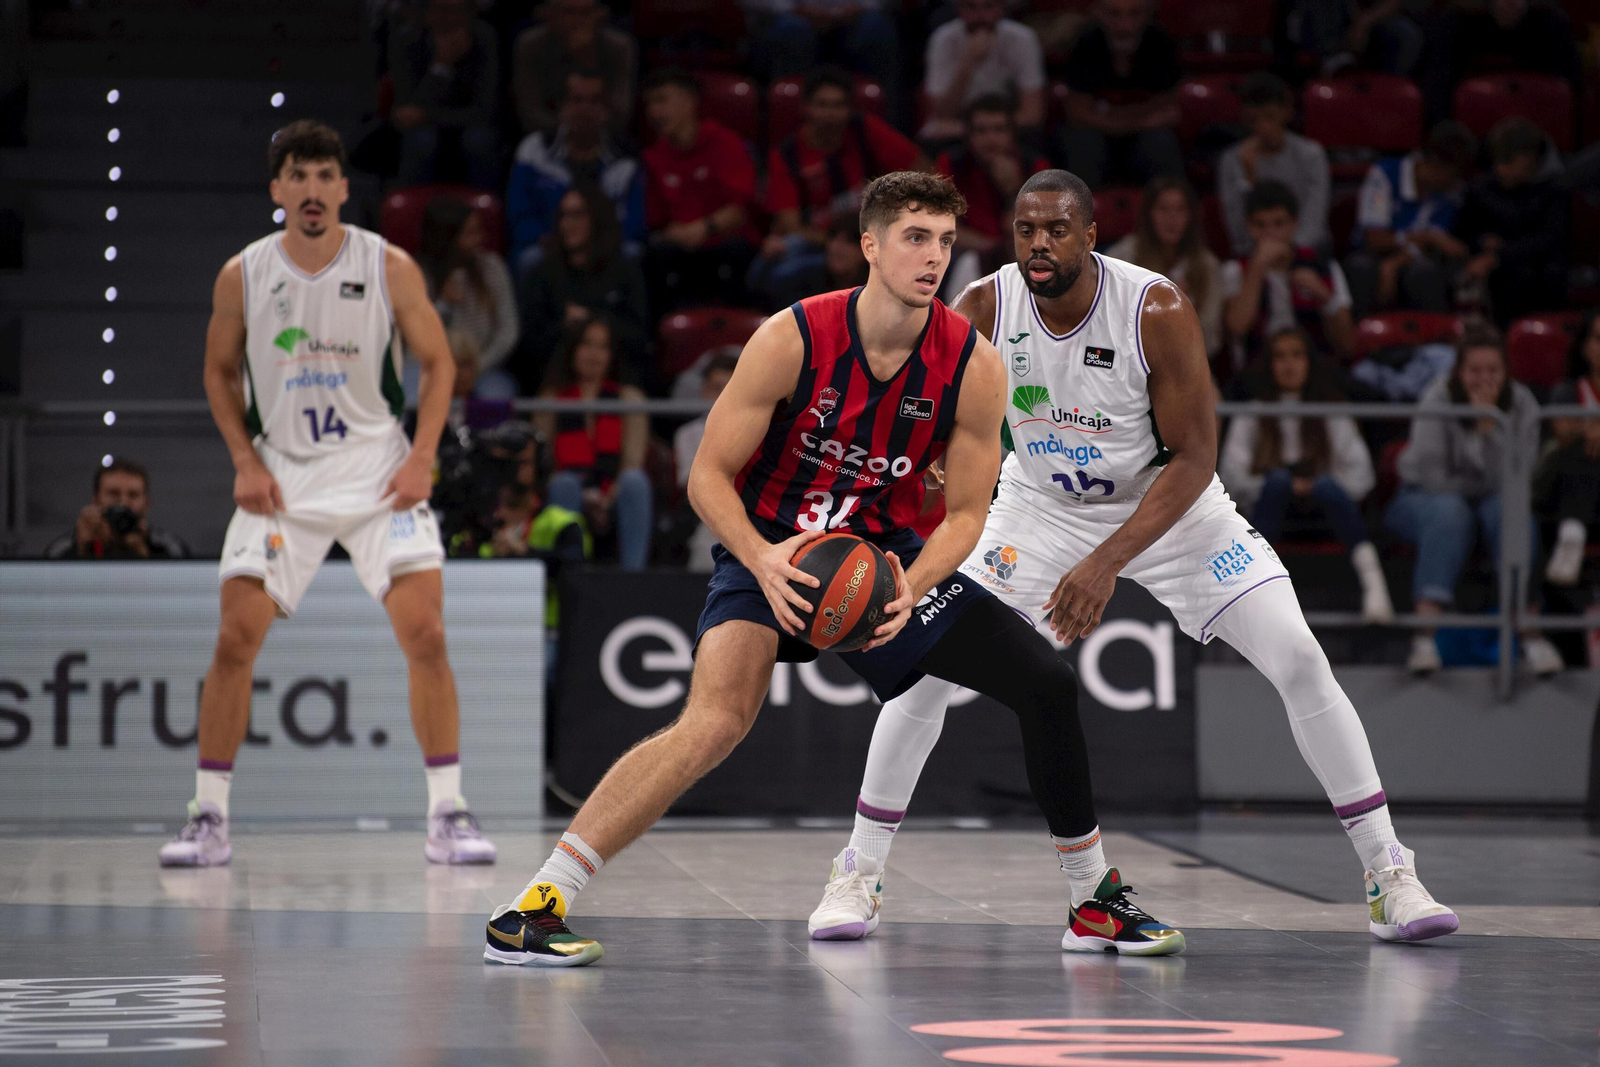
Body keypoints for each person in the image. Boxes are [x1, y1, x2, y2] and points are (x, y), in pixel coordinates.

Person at [484, 171, 1187, 967]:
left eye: (947, 242)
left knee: (1046, 681)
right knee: (712, 723)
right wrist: (760, 556)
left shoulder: (974, 365)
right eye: (916, 238)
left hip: (878, 566)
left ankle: (1091, 897)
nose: (934, 258)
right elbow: (706, 475)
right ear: (870, 245)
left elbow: (964, 514)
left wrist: (910, 588)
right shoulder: (794, 337)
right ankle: (536, 905)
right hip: (774, 552)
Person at [806, 169, 1457, 950]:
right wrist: (937, 463)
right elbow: (934, 419)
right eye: (1025, 230)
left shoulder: (1157, 308)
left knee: (1298, 655)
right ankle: (858, 871)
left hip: (1169, 509)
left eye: (1055, 229)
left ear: (1090, 236)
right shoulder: (983, 305)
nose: (1038, 244)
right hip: (1037, 507)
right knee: (927, 671)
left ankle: (1390, 874)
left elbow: (1194, 457)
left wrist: (1106, 561)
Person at [158, 120, 496, 868]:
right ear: (277, 190)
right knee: (233, 640)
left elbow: (439, 365)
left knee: (428, 636)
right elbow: (218, 372)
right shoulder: (241, 274)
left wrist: (423, 457)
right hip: (283, 477)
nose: (312, 189)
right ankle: (207, 817)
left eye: (324, 175)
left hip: (379, 472)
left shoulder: (389, 265)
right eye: (297, 175)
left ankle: (449, 813)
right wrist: (244, 459)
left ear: (344, 188)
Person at [1385, 324, 1563, 676]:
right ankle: (1425, 636)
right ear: (1459, 372)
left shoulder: (1521, 402)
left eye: (1493, 371)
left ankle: (1529, 632)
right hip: (1421, 497)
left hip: (1487, 500)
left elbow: (1520, 480)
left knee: (1511, 512)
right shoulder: (1438, 397)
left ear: (1506, 372)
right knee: (1451, 514)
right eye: (1475, 371)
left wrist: (1489, 433)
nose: (1484, 380)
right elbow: (1434, 479)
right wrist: (1478, 451)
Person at [1219, 327, 1392, 622]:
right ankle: (1253, 594)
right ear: (1269, 365)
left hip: (1324, 515)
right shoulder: (1251, 413)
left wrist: (1313, 487)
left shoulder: (1330, 410)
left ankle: (1375, 586)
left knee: (1325, 486)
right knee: (1277, 483)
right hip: (1270, 513)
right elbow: (1231, 477)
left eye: (1297, 356)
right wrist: (1286, 485)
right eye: (1280, 357)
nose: (1289, 365)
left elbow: (1361, 476)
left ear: (1309, 362)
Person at [763, 67, 925, 263]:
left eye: (838, 105)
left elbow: (925, 173)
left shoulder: (866, 131)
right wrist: (844, 246)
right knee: (787, 252)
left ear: (850, 109)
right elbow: (791, 226)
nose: (830, 114)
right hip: (819, 246)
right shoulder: (786, 156)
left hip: (877, 241)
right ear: (805, 108)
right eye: (821, 105)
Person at [535, 316, 653, 570]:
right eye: (587, 345)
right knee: (562, 483)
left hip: (614, 493)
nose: (594, 354)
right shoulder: (551, 399)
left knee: (636, 481)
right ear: (572, 350)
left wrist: (607, 496)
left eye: (603, 347)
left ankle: (635, 576)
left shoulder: (629, 398)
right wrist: (586, 496)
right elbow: (544, 463)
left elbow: (633, 460)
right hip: (571, 493)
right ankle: (567, 574)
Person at [640, 68, 759, 314]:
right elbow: (657, 222)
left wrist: (703, 228)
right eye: (650, 103)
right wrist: (675, 233)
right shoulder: (653, 158)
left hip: (723, 246)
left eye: (662, 100)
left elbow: (738, 212)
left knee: (736, 253)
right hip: (681, 250)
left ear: (689, 102)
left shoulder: (725, 143)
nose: (654, 112)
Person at [507, 69, 646, 271]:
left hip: (606, 249)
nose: (585, 109)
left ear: (606, 110)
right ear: (562, 108)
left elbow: (633, 223)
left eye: (594, 101)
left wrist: (596, 247)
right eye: (577, 100)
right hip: (549, 245)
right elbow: (519, 214)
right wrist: (553, 242)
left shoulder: (626, 158)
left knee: (632, 253)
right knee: (530, 258)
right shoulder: (535, 149)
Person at [517, 185, 651, 391]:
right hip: (554, 384)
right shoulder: (543, 273)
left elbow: (639, 336)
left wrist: (591, 319)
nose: (567, 224)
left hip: (617, 382)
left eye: (577, 215)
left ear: (597, 218)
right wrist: (563, 321)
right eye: (563, 215)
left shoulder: (625, 271)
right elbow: (529, 342)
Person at [1222, 181, 1355, 377]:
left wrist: (1325, 296)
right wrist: (1257, 268)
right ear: (1249, 227)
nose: (1270, 234)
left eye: (1279, 223)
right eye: (1260, 225)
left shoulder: (1324, 266)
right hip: (1257, 372)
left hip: (1316, 370)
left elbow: (1348, 344)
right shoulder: (1235, 270)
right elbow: (1237, 328)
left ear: (1294, 223)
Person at [1345, 120, 1475, 319]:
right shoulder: (1384, 175)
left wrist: (1394, 264)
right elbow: (1374, 239)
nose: (1455, 182)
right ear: (1434, 165)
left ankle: (1435, 344)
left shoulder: (1451, 193)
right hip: (1373, 254)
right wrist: (1427, 238)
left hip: (1416, 259)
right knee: (1361, 269)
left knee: (1424, 273)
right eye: (1452, 175)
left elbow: (1438, 245)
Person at [1452, 117, 1568, 327]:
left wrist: (1499, 257)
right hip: (1485, 266)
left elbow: (1550, 239)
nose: (1503, 170)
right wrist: (1481, 241)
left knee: (1542, 275)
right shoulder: (1479, 189)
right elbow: (1462, 231)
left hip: (1534, 266)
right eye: (1501, 162)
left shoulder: (1551, 191)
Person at [1057, 0, 1183, 190]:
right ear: (1099, 13)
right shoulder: (1085, 42)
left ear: (1148, 14)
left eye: (1134, 14)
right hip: (1098, 135)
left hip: (1142, 137)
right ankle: (1083, 217)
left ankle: (1168, 214)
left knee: (1161, 144)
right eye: (1114, 14)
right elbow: (1077, 113)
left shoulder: (1160, 42)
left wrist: (1109, 118)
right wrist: (1138, 119)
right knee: (1082, 144)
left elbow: (1169, 112)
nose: (1124, 26)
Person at [935, 94, 1050, 296]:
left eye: (999, 129)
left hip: (1020, 254)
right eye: (981, 131)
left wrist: (1013, 191)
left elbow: (1032, 231)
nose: (991, 139)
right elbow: (941, 225)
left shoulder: (1036, 167)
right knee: (966, 261)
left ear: (1012, 134)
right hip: (969, 252)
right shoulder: (950, 164)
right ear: (968, 135)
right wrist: (990, 248)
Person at [1105, 175, 1223, 362]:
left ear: (1191, 216)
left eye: (1180, 209)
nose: (1172, 218)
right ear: (1148, 214)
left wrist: (1182, 317)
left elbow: (1211, 340)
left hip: (1188, 369)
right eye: (1163, 209)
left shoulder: (1207, 265)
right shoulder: (1123, 258)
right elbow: (1108, 325)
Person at [1217, 72, 1331, 257]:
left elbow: (1314, 223)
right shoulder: (1232, 160)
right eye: (1254, 119)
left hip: (1307, 255)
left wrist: (1288, 255)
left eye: (1270, 117)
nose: (1263, 128)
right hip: (1254, 256)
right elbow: (1239, 235)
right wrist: (1248, 181)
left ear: (1286, 112)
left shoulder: (1311, 155)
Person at [417, 197, 520, 399]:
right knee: (410, 393)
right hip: (428, 368)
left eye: (479, 231)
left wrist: (475, 367)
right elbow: (413, 337)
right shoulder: (417, 273)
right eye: (470, 233)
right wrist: (443, 305)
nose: (479, 239)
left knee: (497, 394)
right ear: (446, 238)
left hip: (482, 367)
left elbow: (508, 331)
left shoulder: (492, 267)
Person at [391, 0, 500, 190]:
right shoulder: (408, 40)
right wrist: (441, 66)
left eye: (458, 11)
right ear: (426, 13)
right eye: (442, 10)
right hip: (424, 129)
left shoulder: (484, 39)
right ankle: (411, 215)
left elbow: (486, 111)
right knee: (421, 142)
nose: (450, 19)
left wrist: (426, 115)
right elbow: (406, 109)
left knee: (478, 142)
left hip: (470, 125)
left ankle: (486, 214)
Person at [919, 0, 1046, 146]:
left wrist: (983, 130)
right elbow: (941, 114)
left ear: (1002, 8)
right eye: (970, 7)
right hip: (957, 130)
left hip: (1008, 128)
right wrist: (967, 64)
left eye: (989, 6)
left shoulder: (1023, 38)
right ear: (957, 8)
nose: (980, 16)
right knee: (932, 140)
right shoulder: (943, 39)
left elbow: (1032, 115)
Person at [511, 0, 636, 137]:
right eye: (569, 12)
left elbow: (620, 111)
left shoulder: (618, 47)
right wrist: (570, 130)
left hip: (606, 138)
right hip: (546, 137)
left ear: (599, 14)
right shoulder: (531, 45)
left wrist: (587, 59)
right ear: (551, 14)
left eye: (586, 12)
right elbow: (530, 112)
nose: (578, 20)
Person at [1539, 311, 1600, 587]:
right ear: (1586, 347)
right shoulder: (1568, 390)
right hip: (1567, 492)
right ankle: (1571, 535)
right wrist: (1587, 431)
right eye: (1599, 339)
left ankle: (1572, 533)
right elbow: (1561, 431)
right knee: (1578, 450)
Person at [44, 459, 190, 560]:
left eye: (133, 495)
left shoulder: (167, 547)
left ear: (146, 504)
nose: (123, 503)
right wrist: (83, 549)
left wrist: (143, 553)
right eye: (113, 493)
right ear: (96, 500)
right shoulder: (66, 547)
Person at [674, 349, 739, 571]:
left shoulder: (758, 428)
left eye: (728, 388)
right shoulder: (687, 433)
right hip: (708, 514)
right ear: (704, 390)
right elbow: (690, 484)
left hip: (753, 509)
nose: (721, 396)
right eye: (715, 388)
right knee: (709, 537)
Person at [740, 0, 898, 91]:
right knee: (792, 32)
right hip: (789, 20)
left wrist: (864, 6)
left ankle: (881, 134)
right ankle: (790, 136)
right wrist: (792, 8)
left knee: (876, 29)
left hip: (856, 20)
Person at [749, 213, 869, 312]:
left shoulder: (875, 294)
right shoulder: (807, 279)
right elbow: (757, 287)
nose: (836, 247)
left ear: (867, 248)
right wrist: (767, 260)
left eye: (848, 241)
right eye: (833, 238)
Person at [1282, 0, 1423, 77]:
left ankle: (1392, 90)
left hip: (1371, 20)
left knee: (1406, 33)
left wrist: (1364, 22)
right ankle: (1332, 59)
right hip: (1329, 22)